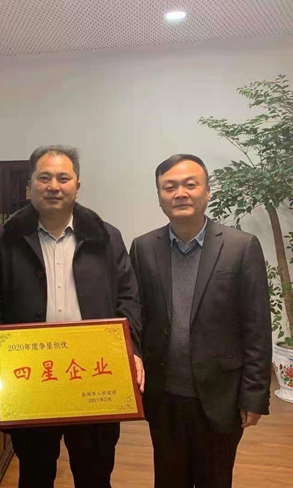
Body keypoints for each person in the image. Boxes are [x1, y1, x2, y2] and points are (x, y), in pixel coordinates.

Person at [0, 145, 144, 488]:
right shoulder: (5, 238)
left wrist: (132, 350)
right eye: (44, 177)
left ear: (77, 186)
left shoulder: (106, 237)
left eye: (63, 178)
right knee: (35, 472)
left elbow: (128, 299)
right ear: (29, 186)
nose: (54, 186)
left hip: (94, 373)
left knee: (94, 473)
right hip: (31, 375)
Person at [129, 154, 271, 488]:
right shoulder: (143, 247)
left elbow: (257, 327)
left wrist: (254, 395)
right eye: (170, 187)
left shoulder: (241, 247)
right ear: (160, 197)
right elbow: (135, 315)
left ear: (207, 191)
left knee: (215, 479)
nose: (180, 193)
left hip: (221, 396)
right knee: (168, 479)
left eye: (190, 185)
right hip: (164, 396)